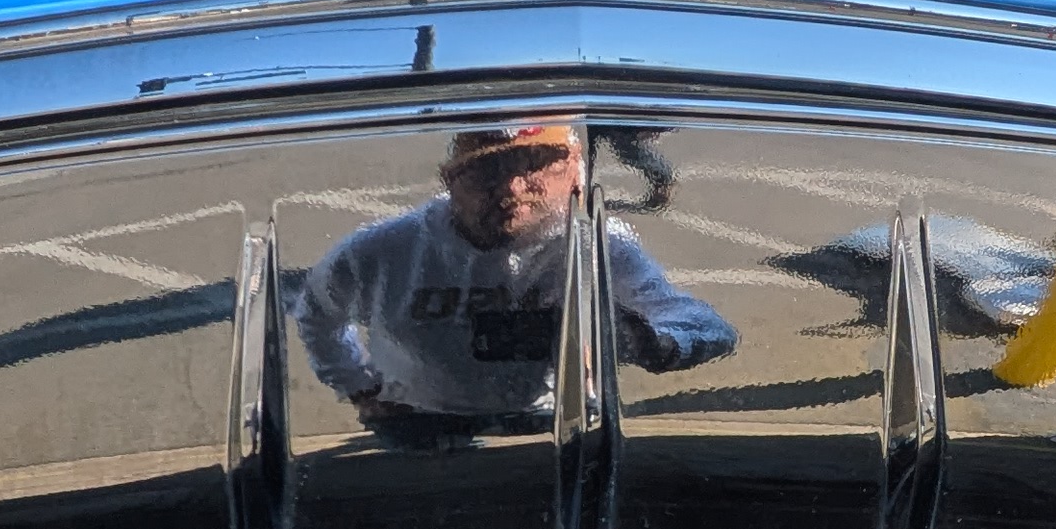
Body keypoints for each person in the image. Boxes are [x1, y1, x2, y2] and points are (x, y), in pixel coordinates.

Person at [293, 122, 733, 439]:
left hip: (546, 421)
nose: (512, 188)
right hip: (420, 420)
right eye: (488, 171)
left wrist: (654, 342)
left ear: (575, 175)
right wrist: (359, 386)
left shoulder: (595, 245)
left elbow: (709, 327)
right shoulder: (384, 249)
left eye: (536, 166)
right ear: (451, 180)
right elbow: (317, 313)